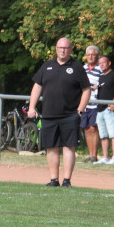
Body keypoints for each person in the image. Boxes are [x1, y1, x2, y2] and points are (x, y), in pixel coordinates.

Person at [27, 37, 92, 188]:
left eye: (66, 48)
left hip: (70, 114)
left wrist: (80, 111)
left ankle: (67, 181)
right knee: (51, 147)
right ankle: (53, 179)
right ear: (56, 49)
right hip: (49, 114)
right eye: (60, 48)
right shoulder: (47, 66)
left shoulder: (76, 67)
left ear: (70, 49)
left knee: (68, 147)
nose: (63, 50)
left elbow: (86, 90)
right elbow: (37, 87)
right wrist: (32, 107)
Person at [93, 55, 114, 165]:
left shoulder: (113, 74)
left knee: (113, 133)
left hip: (109, 109)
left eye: (104, 62)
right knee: (103, 135)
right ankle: (105, 157)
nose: (101, 65)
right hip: (100, 109)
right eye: (100, 63)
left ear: (109, 63)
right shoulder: (101, 77)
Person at [81, 45, 101, 163]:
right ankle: (90, 155)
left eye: (93, 54)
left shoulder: (100, 68)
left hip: (96, 102)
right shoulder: (83, 68)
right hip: (85, 102)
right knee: (87, 129)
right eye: (88, 55)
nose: (90, 57)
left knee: (93, 128)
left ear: (97, 55)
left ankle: (94, 155)